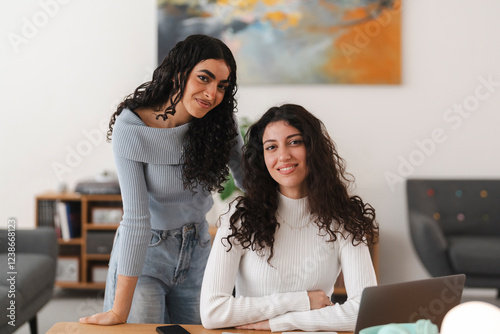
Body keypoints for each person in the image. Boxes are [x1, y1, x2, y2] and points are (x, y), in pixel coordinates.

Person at [79, 34, 244, 326]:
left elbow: (249, 179)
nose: (211, 93)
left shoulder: (219, 123)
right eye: (203, 78)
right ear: (180, 72)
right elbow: (136, 219)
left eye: (221, 86)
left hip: (198, 252)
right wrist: (119, 311)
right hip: (145, 256)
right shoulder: (132, 127)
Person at [200, 104, 379, 332]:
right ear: (262, 157)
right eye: (271, 147)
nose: (283, 156)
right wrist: (302, 301)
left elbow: (366, 311)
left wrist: (281, 322)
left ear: (313, 148)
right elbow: (212, 312)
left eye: (294, 142)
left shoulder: (342, 218)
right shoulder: (240, 217)